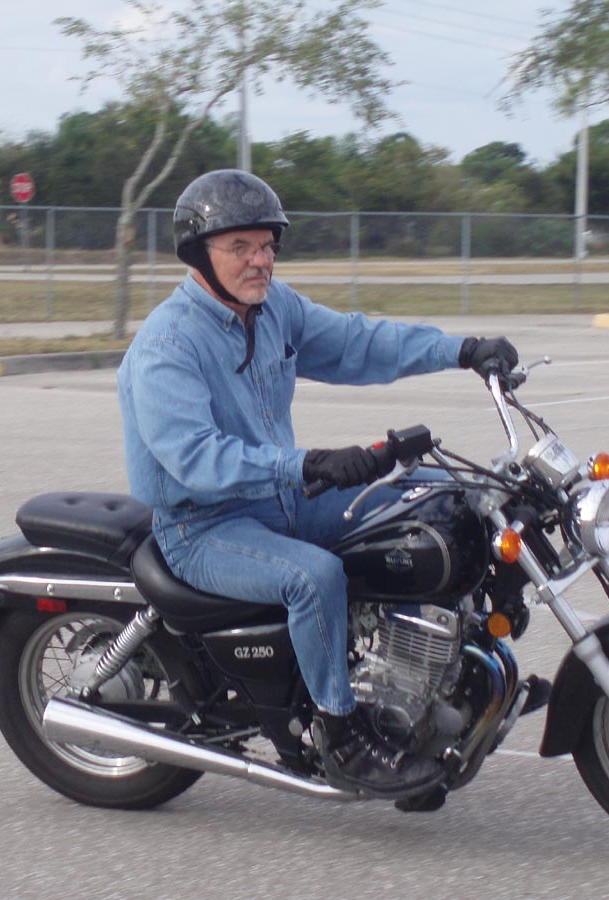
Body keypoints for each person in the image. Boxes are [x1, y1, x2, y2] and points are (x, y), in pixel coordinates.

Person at [116, 169, 518, 797]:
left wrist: (461, 350)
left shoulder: (274, 309)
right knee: (314, 578)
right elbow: (195, 458)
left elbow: (359, 343)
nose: (260, 260)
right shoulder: (168, 343)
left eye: (267, 245)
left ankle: (432, 682)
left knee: (435, 500)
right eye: (240, 247)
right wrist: (307, 465)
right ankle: (342, 736)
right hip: (204, 525)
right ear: (199, 254)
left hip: (282, 500)